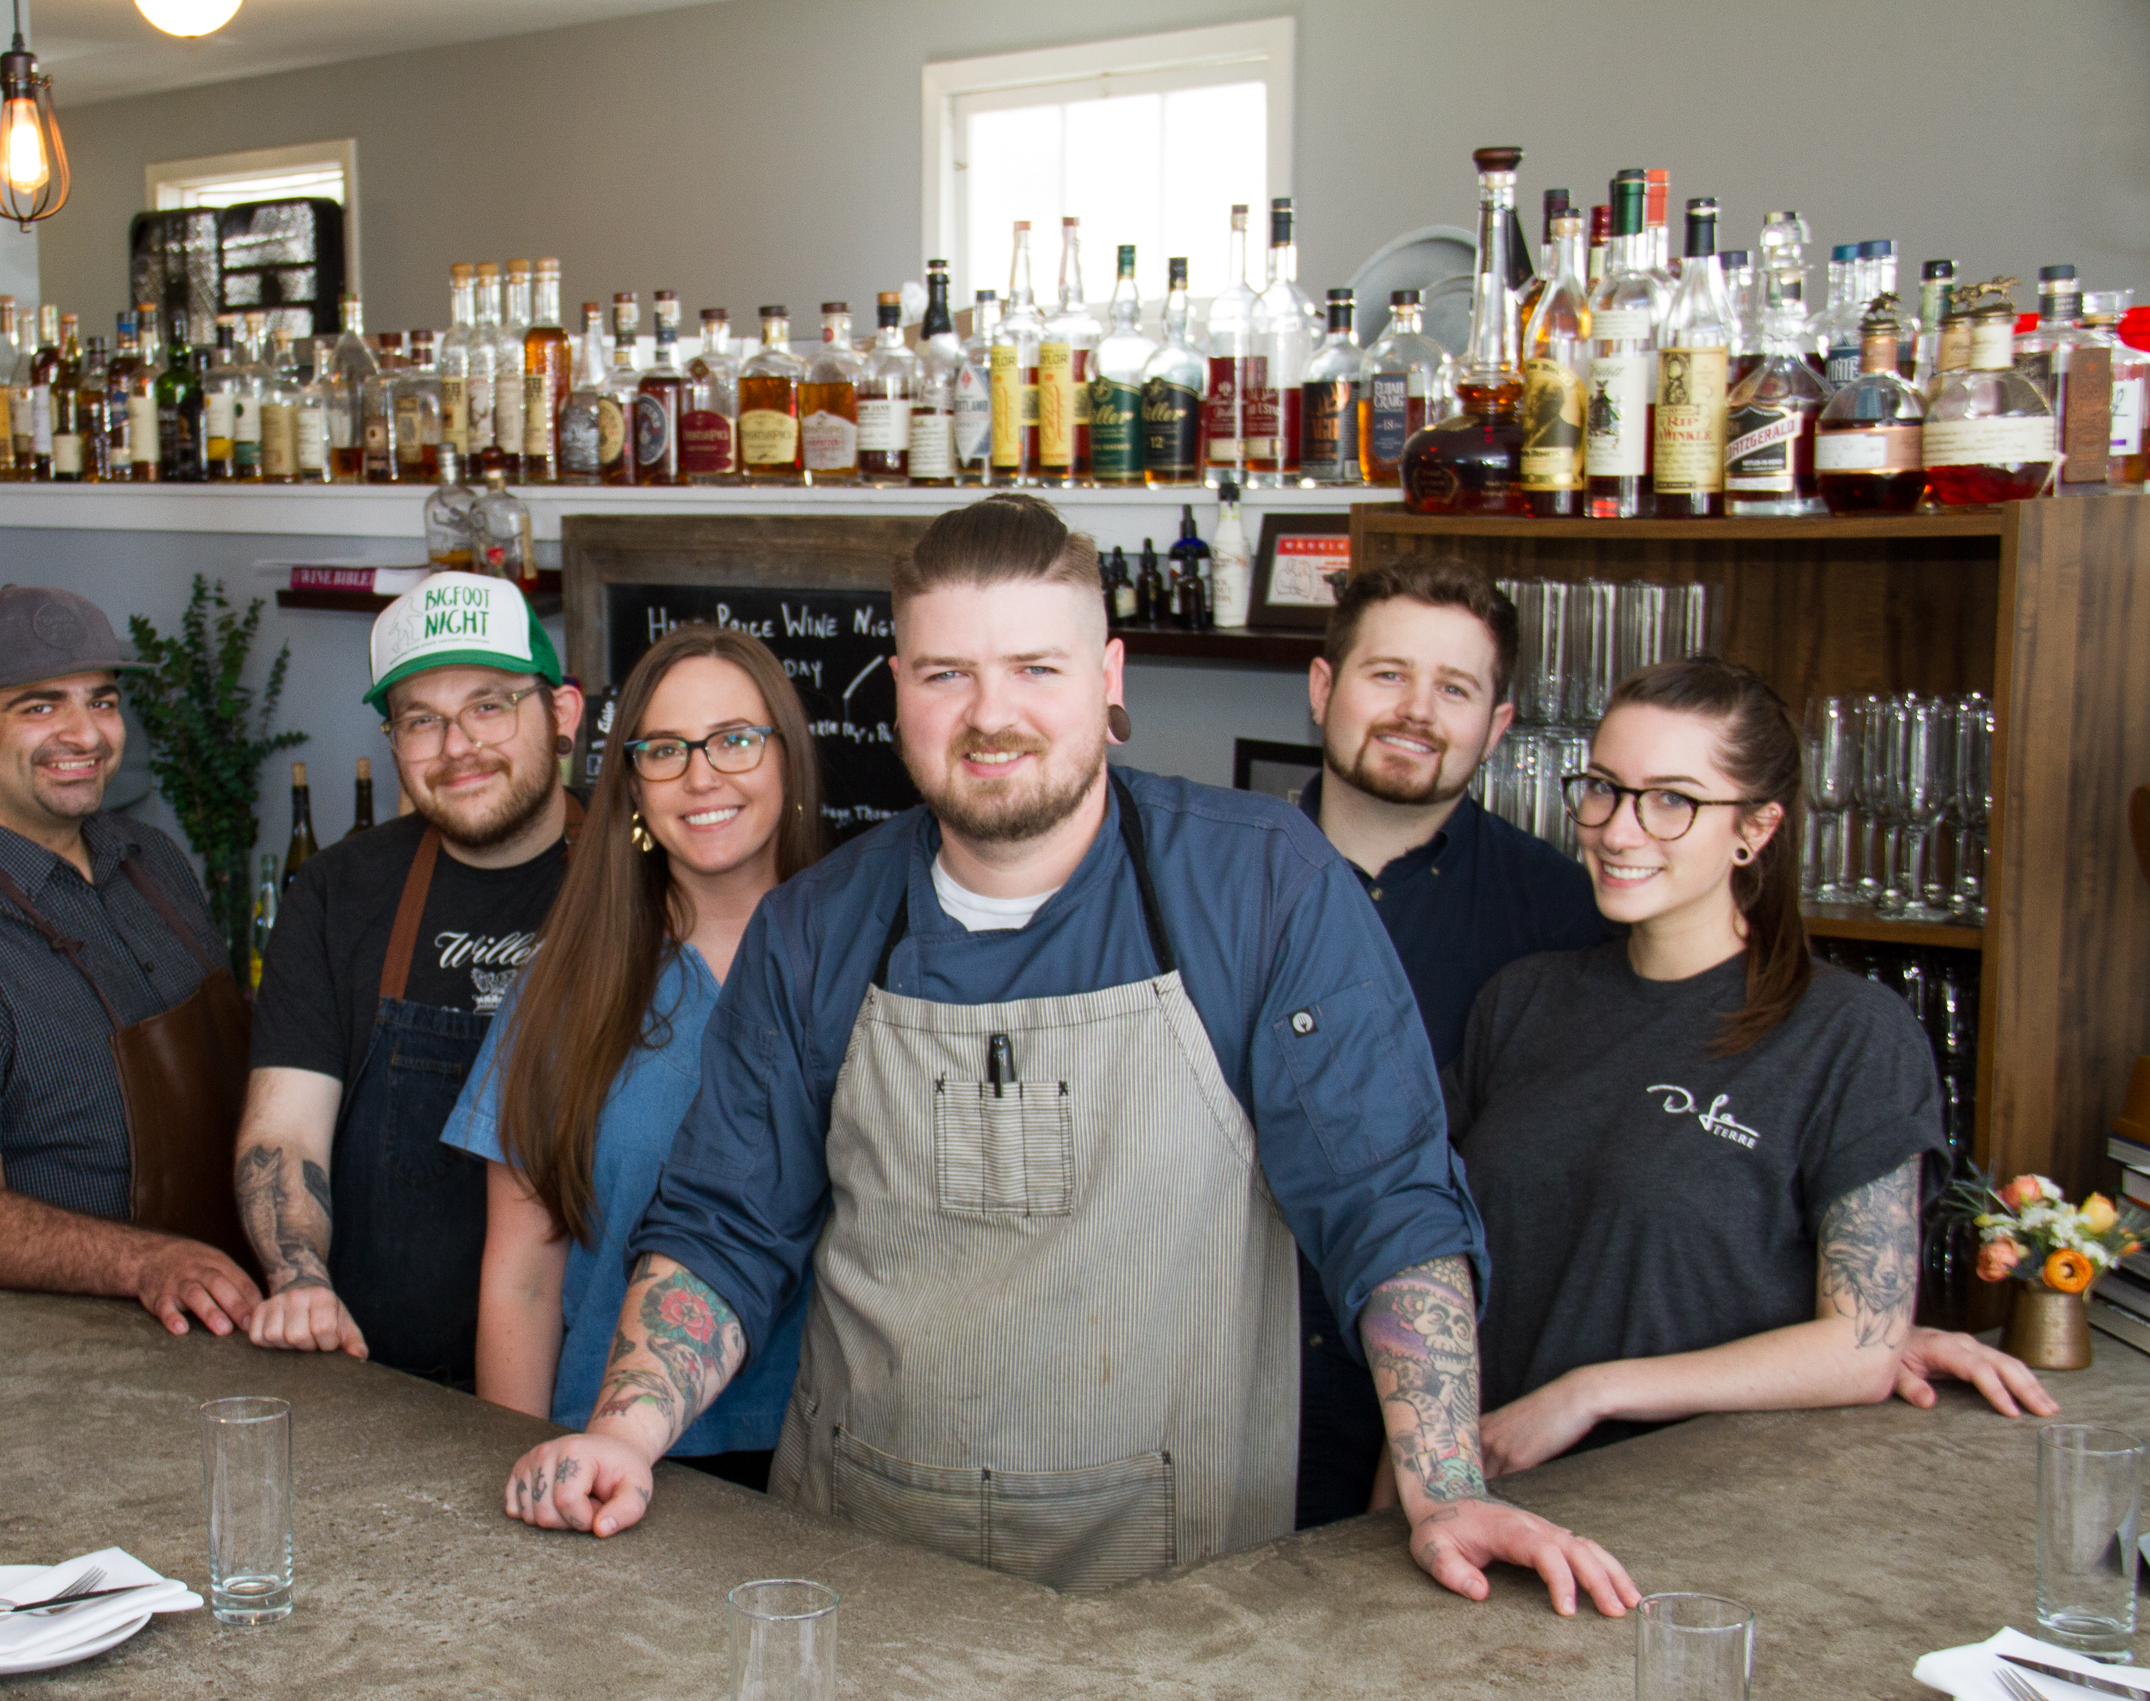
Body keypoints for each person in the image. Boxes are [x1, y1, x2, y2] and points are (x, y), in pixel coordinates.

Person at [503, 495, 1637, 1615]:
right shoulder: (816, 927)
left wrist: (1444, 1489)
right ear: (898, 691)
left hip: (1187, 1585)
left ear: (1109, 679)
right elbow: (724, 1226)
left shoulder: (1259, 884)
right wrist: (623, 1433)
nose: (991, 715)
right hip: (864, 1562)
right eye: (947, 674)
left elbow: (1387, 1200)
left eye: (1037, 669)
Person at [1459, 658, 2054, 1475]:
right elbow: (1441, 1254)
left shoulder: (1849, 1036)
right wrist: (1416, 1453)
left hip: (1705, 1509)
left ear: (1757, 828)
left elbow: (1863, 1344)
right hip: (1490, 1496)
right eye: (1602, 787)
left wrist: (1588, 1392)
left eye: (1673, 799)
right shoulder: (1521, 1001)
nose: (1618, 829)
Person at [444, 626, 829, 1490]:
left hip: (828, 1463)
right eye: (664, 750)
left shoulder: (863, 958)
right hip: (611, 1461)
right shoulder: (567, 983)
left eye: (735, 739)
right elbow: (523, 1275)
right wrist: (517, 1466)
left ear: (788, 760)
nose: (702, 776)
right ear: (631, 787)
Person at [0, 586, 260, 1337]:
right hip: (86, 1340)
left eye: (101, 701)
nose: (85, 734)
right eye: (39, 708)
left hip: (235, 1303)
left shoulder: (152, 859)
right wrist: (146, 1264)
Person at [1290, 556, 1610, 1528]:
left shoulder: (1569, 917)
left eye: (1455, 688)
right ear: (1323, 689)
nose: (1417, 711)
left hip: (1457, 1437)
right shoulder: (1217, 881)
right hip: (1223, 1399)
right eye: (1388, 674)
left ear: (1497, 727)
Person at [237, 573, 585, 1384]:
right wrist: (301, 1281)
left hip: (601, 1397)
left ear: (560, 715)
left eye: (489, 705)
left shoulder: (645, 879)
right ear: (394, 742)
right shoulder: (336, 893)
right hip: (384, 1380)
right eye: (422, 720)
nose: (457, 746)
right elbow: (284, 1129)